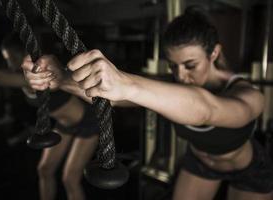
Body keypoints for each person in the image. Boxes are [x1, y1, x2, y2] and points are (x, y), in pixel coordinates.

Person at [21, 7, 273, 200]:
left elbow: (207, 111)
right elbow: (112, 96)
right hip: (199, 165)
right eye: (173, 66)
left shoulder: (247, 94)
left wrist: (126, 83)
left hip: (247, 169)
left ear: (214, 53)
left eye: (190, 65)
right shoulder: (173, 86)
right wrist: (59, 78)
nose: (181, 75)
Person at [0, 33, 99, 200]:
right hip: (64, 124)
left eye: (11, 57)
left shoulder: (40, 74)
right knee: (44, 170)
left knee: (70, 179)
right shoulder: (28, 78)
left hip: (88, 122)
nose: (9, 63)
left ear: (22, 53)